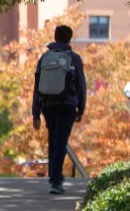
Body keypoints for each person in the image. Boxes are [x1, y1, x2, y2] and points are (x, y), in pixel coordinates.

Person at [32, 25, 88, 195]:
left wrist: (36, 113)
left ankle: (54, 177)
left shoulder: (45, 58)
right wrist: (81, 109)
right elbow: (81, 86)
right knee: (61, 141)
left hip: (49, 105)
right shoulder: (75, 59)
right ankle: (55, 180)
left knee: (53, 139)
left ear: (55, 37)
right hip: (68, 104)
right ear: (69, 39)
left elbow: (37, 87)